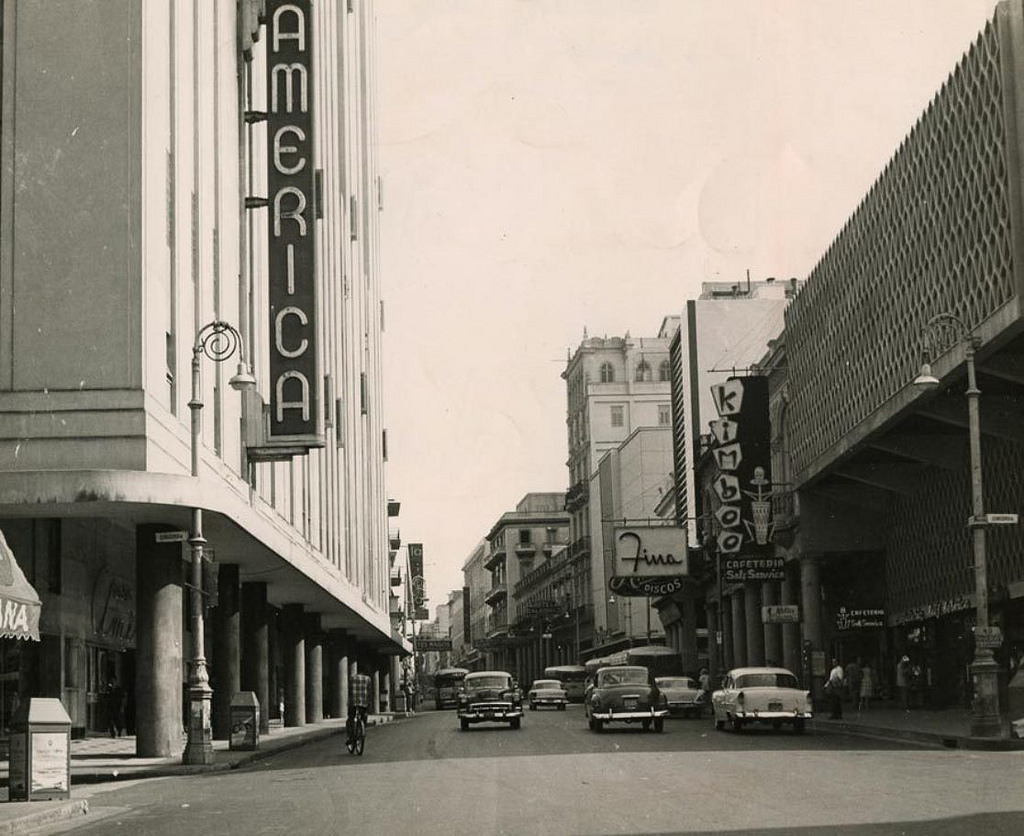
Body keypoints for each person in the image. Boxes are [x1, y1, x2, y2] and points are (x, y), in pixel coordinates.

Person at [346, 672, 372, 749]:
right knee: (364, 716)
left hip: (353, 702)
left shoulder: (352, 678)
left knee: (351, 718)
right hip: (364, 702)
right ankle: (362, 730)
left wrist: (349, 702)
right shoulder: (367, 679)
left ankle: (351, 737)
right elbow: (369, 692)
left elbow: (349, 691)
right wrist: (369, 703)